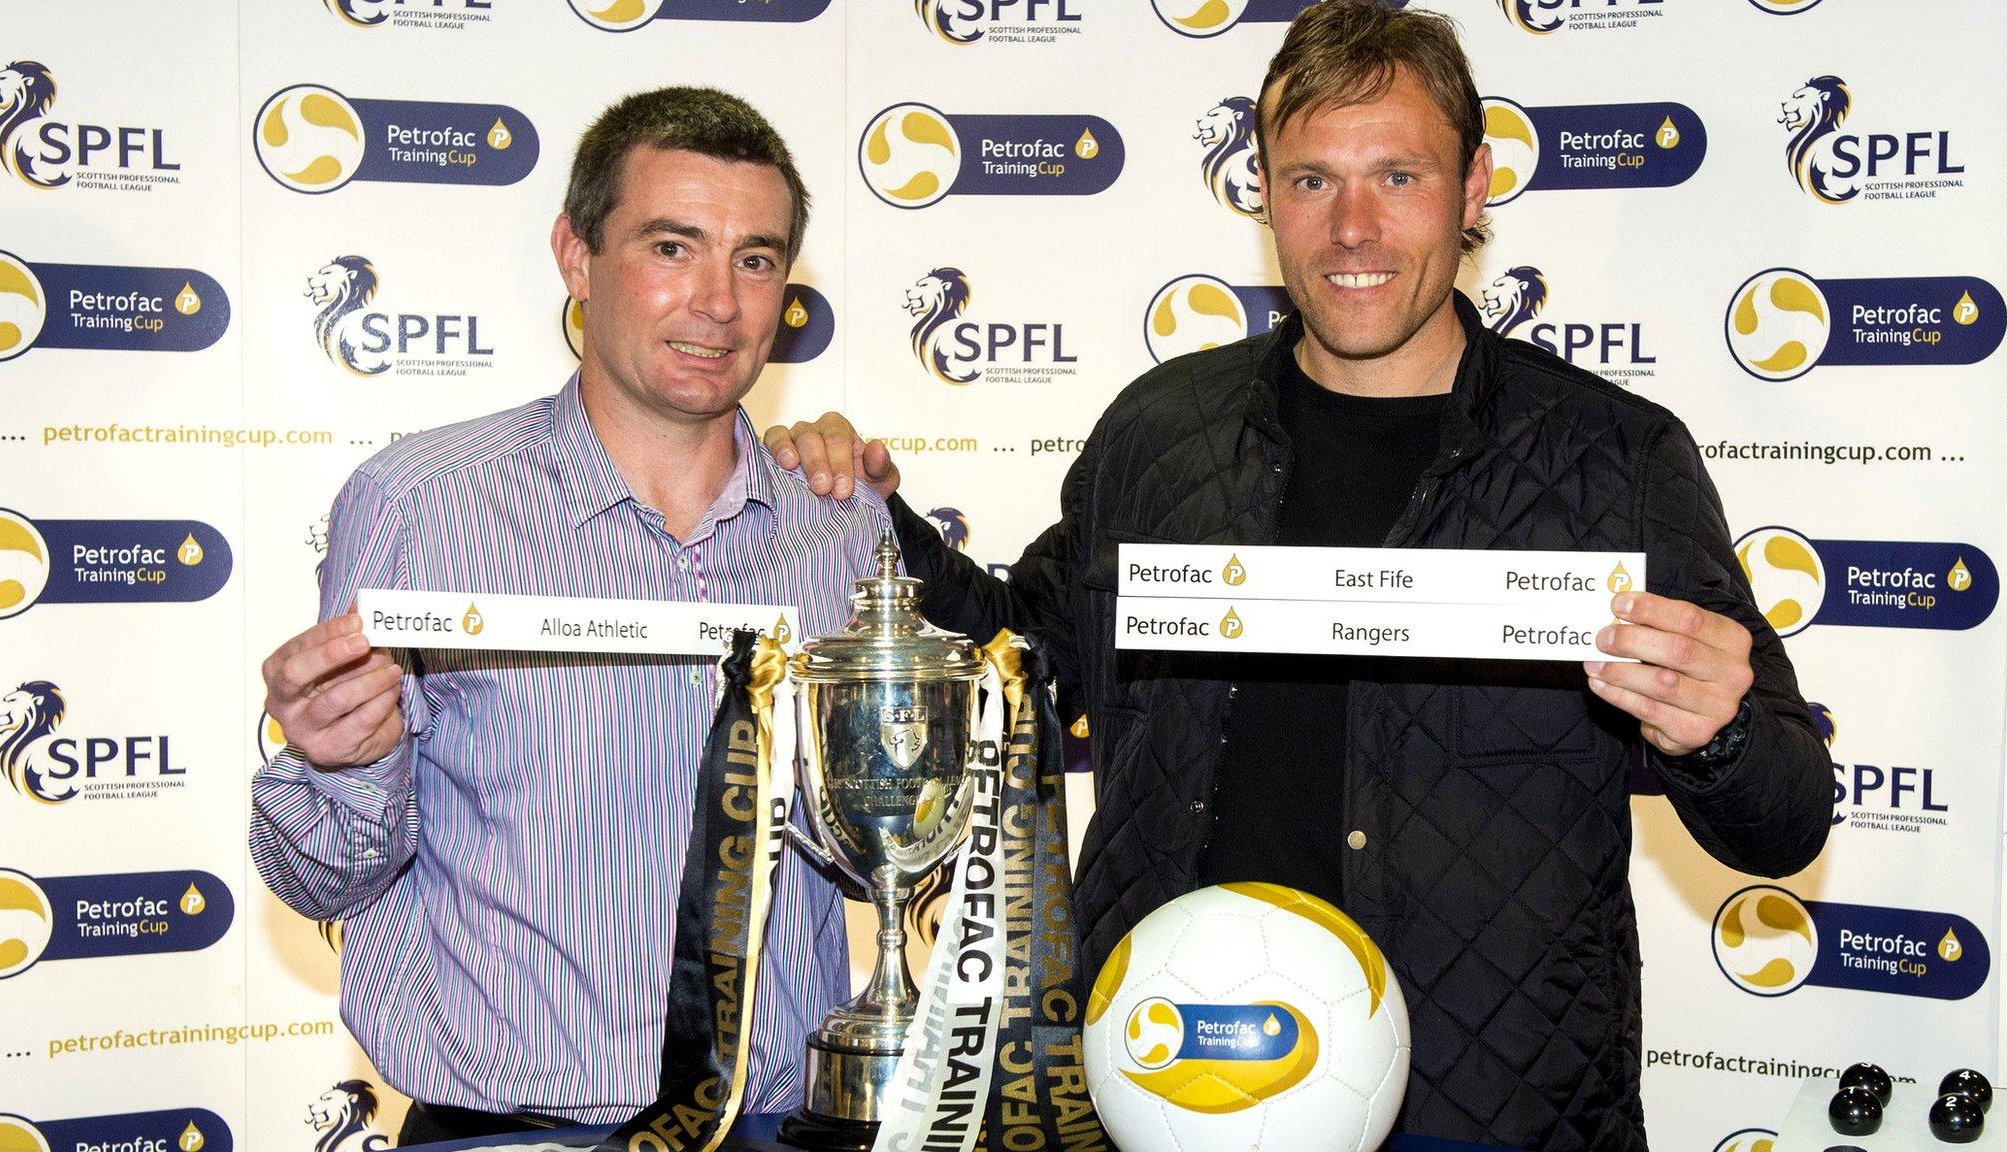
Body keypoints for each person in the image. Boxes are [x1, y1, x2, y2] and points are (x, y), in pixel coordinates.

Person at [766, 4, 1832, 1149]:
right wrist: (873, 524)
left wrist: (1716, 730)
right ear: (1262, 192)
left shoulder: (1609, 458)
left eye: (1397, 176)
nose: (1351, 228)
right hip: (1170, 1093)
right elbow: (1014, 668)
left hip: (1485, 1118)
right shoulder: (1162, 430)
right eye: (1311, 180)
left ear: (1472, 187)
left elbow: (1781, 825)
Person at [250, 87, 887, 1143]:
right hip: (508, 1130)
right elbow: (321, 873)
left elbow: (891, 849)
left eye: (757, 259)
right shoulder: (421, 503)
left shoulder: (844, 529)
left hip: (785, 1125)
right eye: (672, 247)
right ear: (575, 256)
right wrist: (331, 762)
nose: (719, 303)